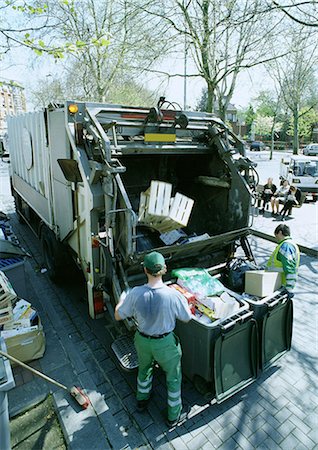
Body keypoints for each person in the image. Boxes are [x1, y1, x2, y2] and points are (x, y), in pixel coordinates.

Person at [115, 251, 192, 427]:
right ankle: (173, 416)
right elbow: (186, 318)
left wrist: (122, 299)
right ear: (164, 269)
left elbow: (118, 315)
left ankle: (142, 401)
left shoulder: (135, 293)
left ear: (144, 270)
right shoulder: (173, 295)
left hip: (142, 341)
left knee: (144, 370)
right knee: (173, 378)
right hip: (165, 344)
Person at [266, 224, 300, 296]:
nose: (276, 238)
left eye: (276, 235)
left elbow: (290, 268)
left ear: (280, 232)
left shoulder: (286, 246)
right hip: (278, 283)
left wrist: (289, 289)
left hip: (280, 284)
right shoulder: (288, 245)